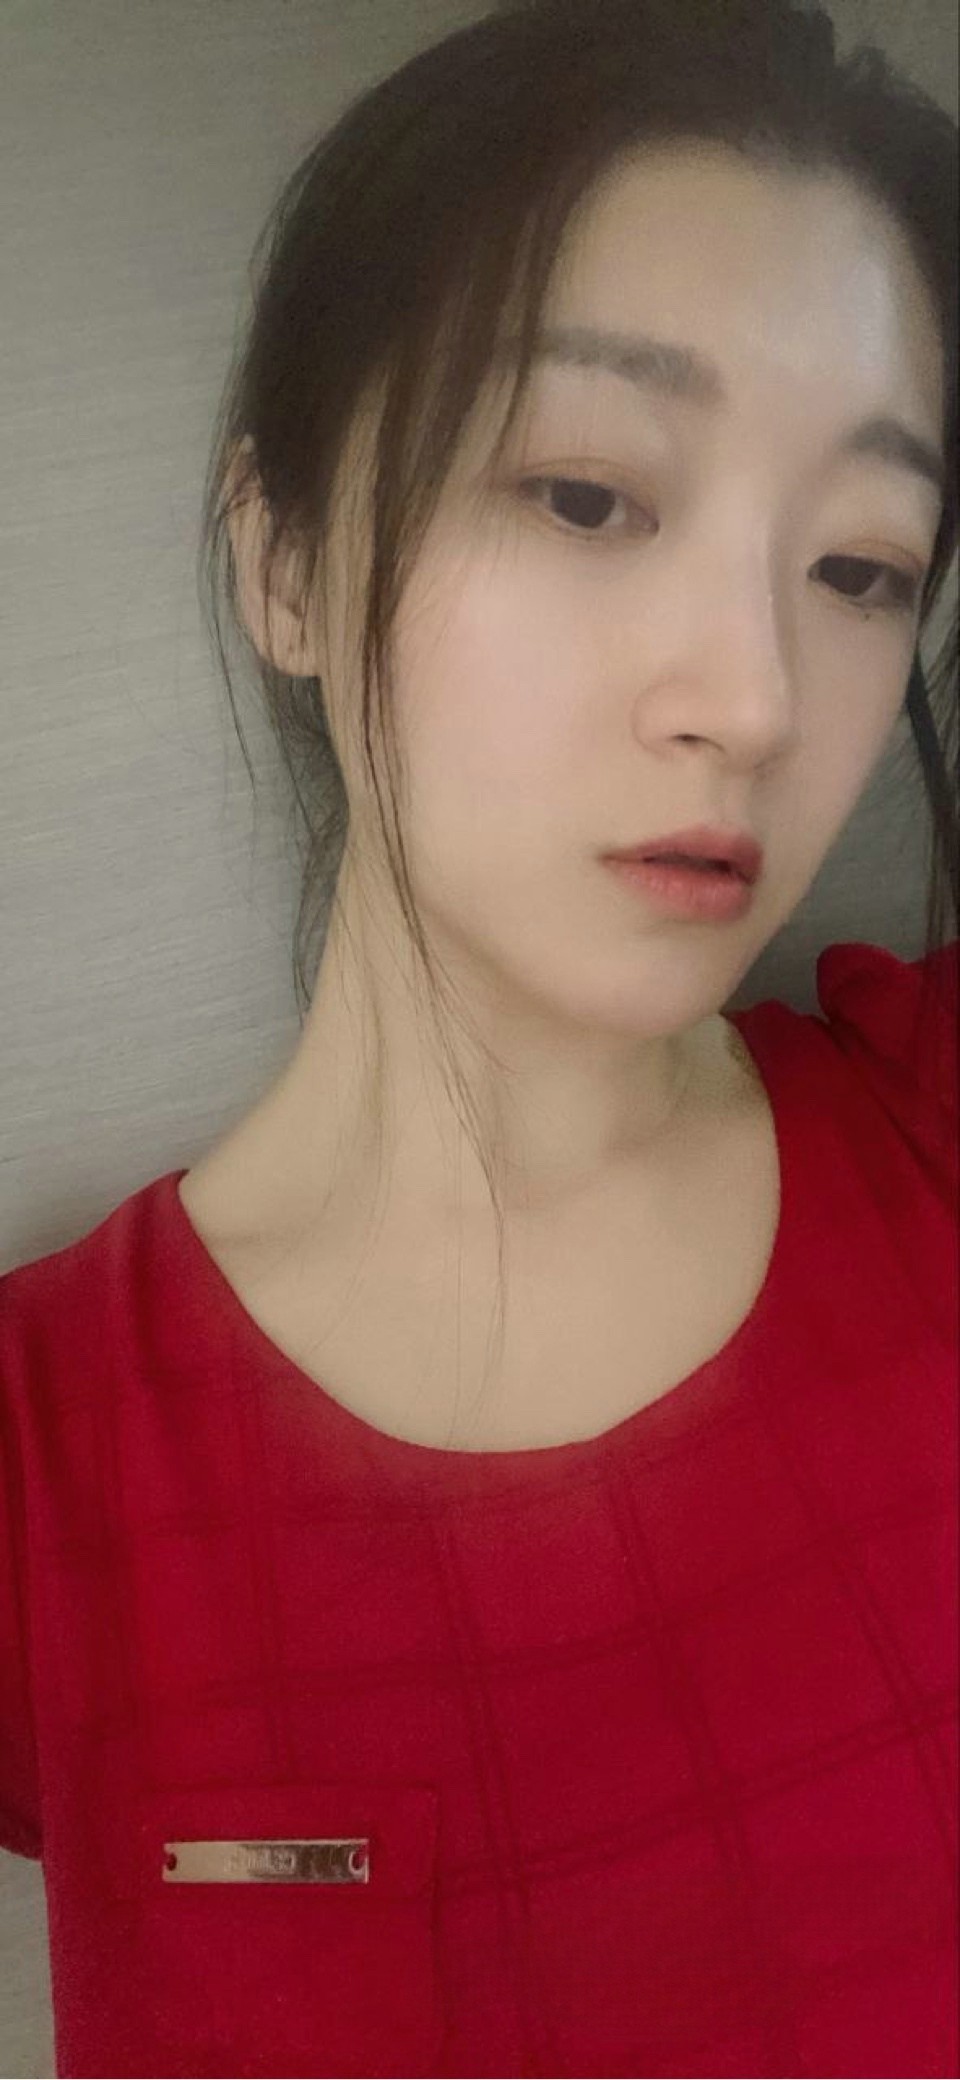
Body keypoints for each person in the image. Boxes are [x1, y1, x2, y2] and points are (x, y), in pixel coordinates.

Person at [1, 1, 957, 2074]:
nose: (757, 697)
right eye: (589, 494)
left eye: (861, 564)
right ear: (284, 557)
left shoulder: (936, 1129)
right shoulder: (44, 1466)